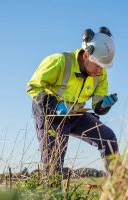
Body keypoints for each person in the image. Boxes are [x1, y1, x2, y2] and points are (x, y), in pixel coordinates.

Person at [26, 27, 119, 186]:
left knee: (108, 138)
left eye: (103, 66)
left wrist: (104, 105)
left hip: (76, 113)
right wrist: (54, 105)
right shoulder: (59, 61)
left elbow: (97, 106)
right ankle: (52, 194)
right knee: (54, 162)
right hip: (51, 115)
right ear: (86, 54)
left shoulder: (100, 74)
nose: (100, 70)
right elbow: (32, 87)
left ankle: (116, 187)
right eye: (98, 65)